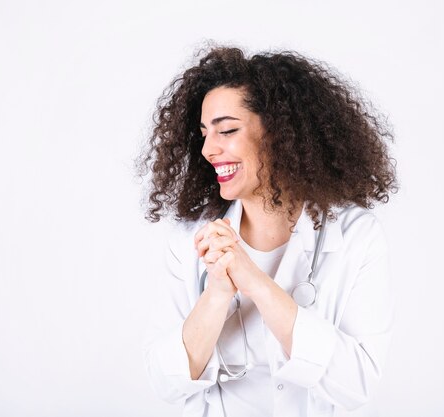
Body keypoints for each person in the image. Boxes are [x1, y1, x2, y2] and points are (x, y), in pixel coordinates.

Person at [139, 45, 398, 417]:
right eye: (204, 135)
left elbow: (356, 384)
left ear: (279, 132)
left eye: (226, 130)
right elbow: (166, 382)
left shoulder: (356, 235)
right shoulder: (191, 240)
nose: (209, 150)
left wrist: (255, 281)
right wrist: (216, 294)